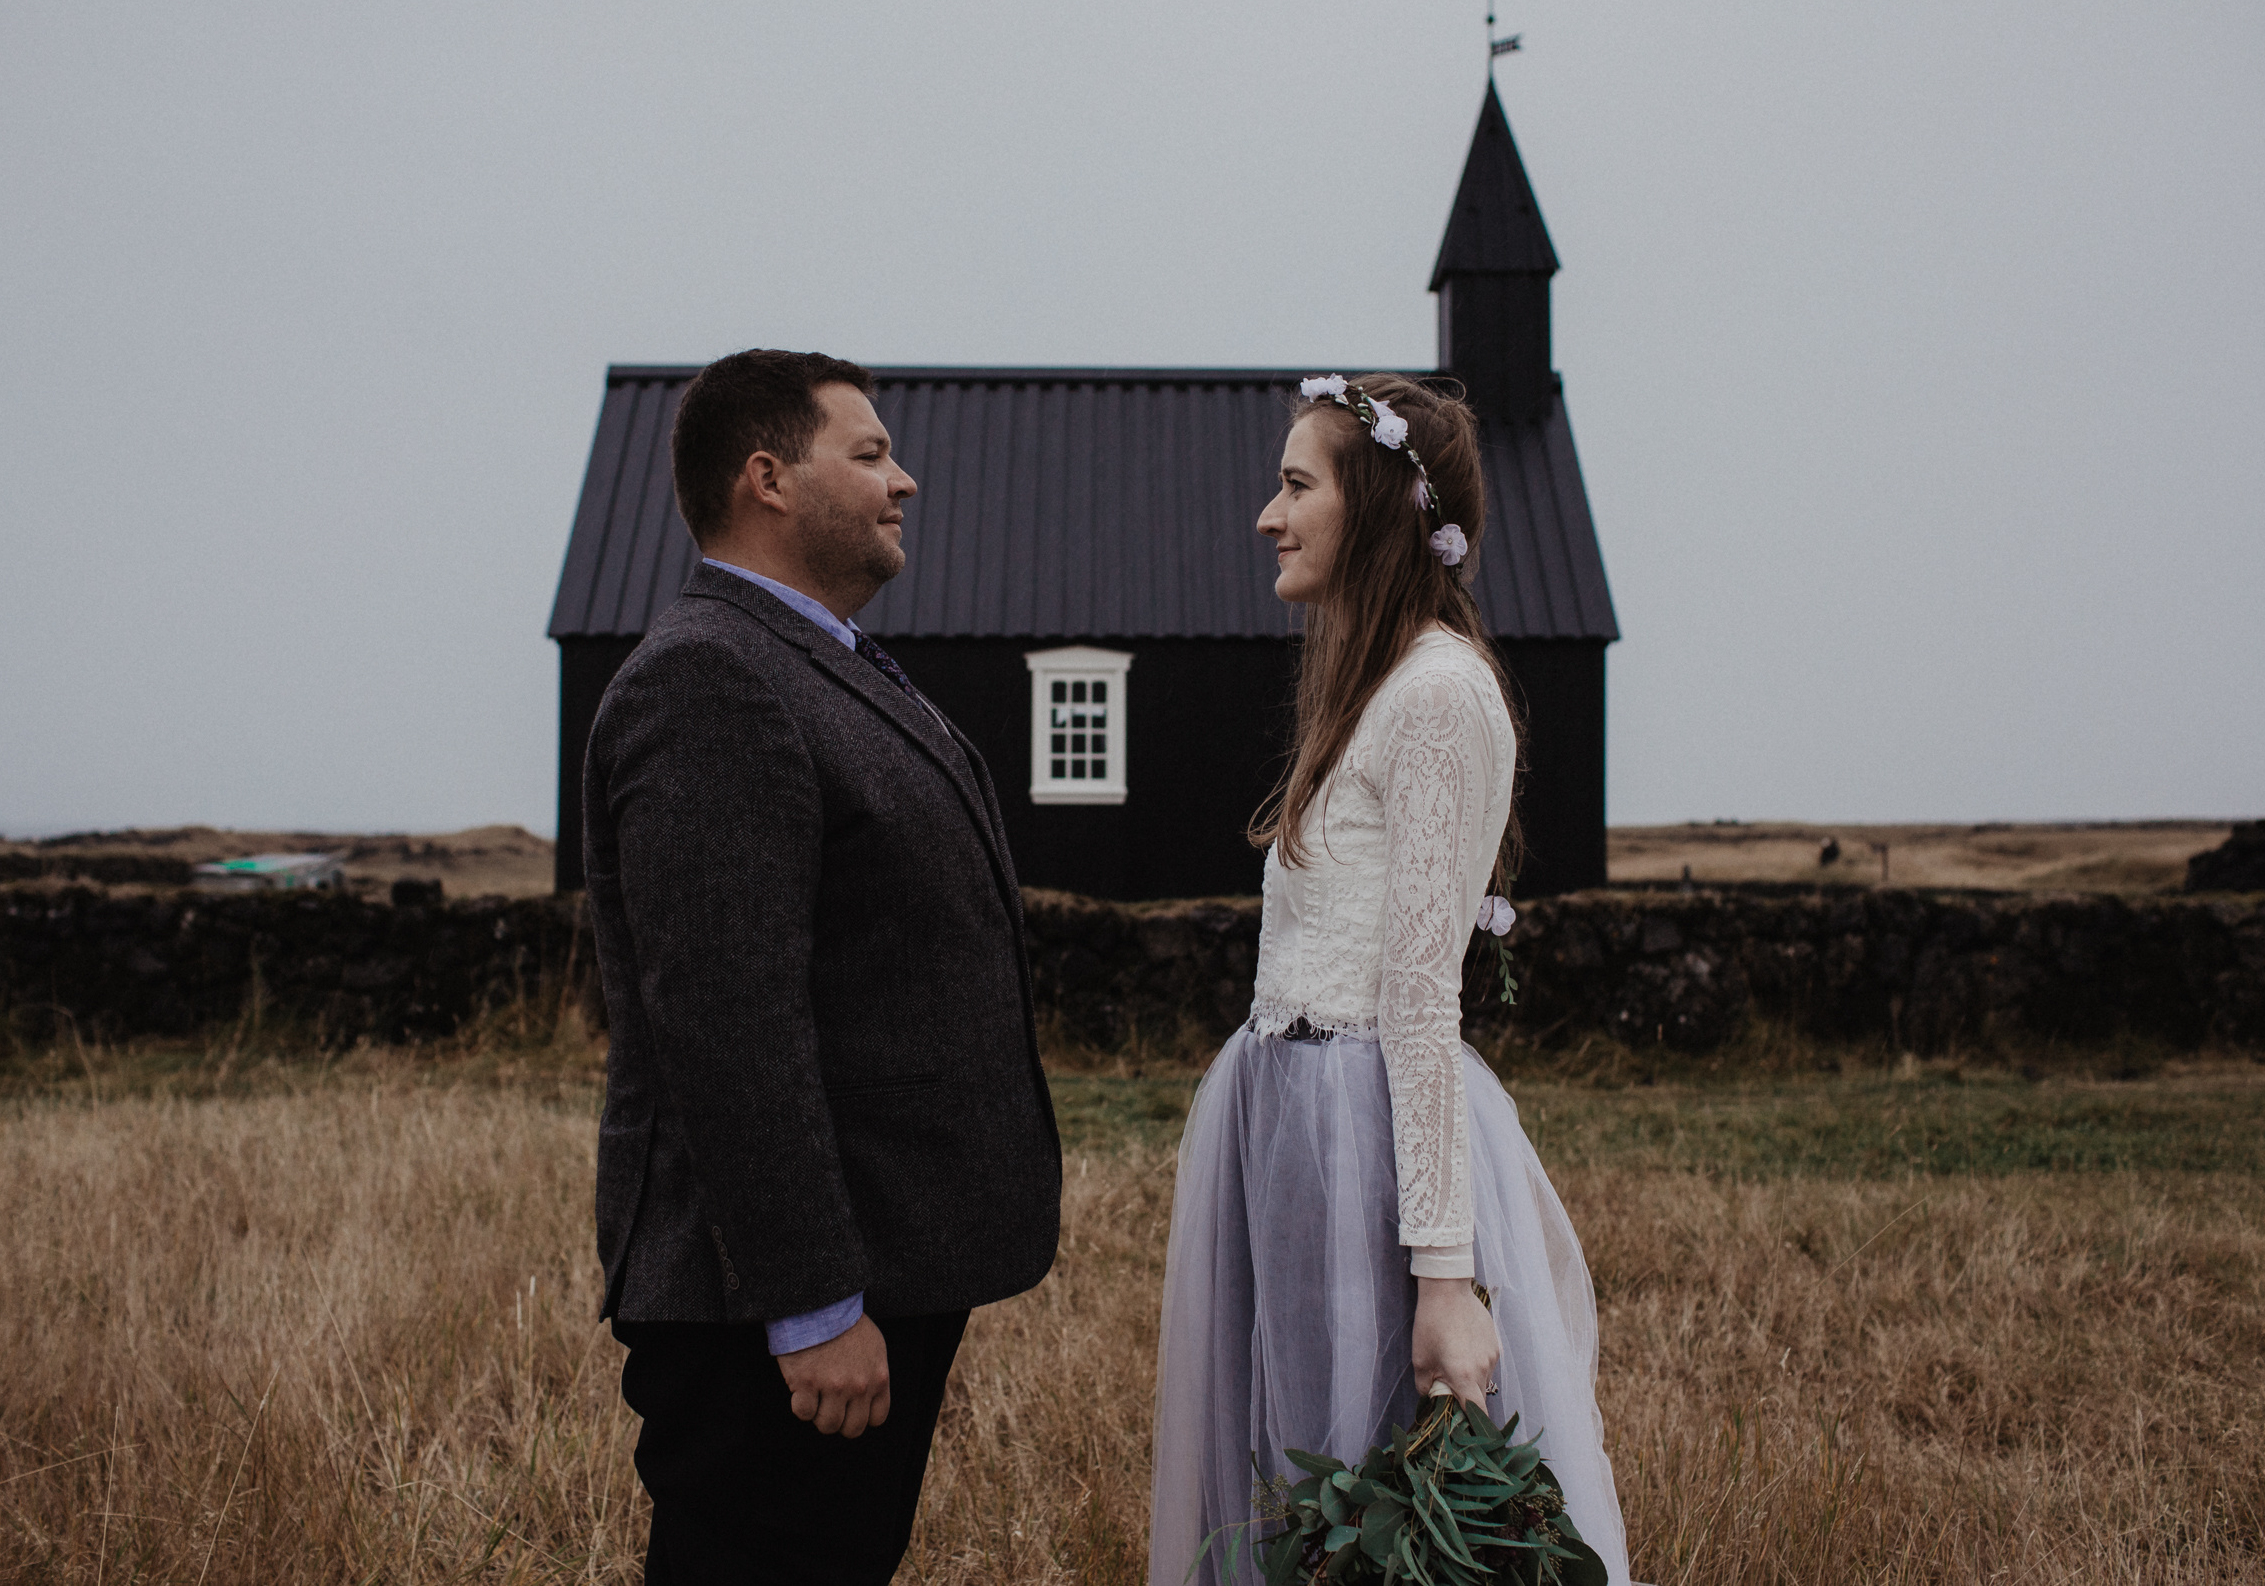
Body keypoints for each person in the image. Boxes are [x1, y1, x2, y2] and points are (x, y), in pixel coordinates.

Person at [583, 348, 1064, 1585]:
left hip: (872, 1264)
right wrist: (810, 1303)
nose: (904, 480)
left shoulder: (814, 660)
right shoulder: (710, 678)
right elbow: (727, 1016)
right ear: (768, 479)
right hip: (781, 1309)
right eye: (869, 453)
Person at [1147, 374, 1633, 1584]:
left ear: (1372, 505)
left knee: (1372, 1473)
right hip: (1290, 1120)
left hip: (1367, 1129)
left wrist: (1444, 1277)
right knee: (1300, 1472)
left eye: (1296, 484)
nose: (1268, 513)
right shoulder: (1369, 687)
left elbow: (1421, 995)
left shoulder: (1437, 692)